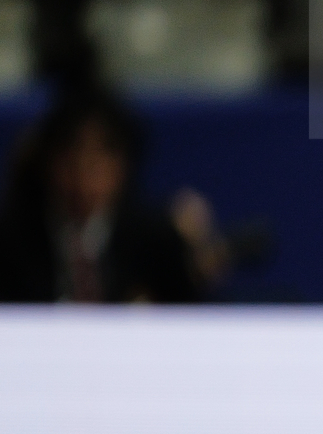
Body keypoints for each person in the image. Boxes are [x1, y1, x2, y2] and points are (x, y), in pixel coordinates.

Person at [0, 86, 211, 304]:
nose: (83, 177)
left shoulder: (155, 240)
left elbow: (191, 312)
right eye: (71, 159)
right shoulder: (12, 239)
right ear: (48, 161)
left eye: (96, 162)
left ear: (123, 164)